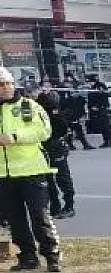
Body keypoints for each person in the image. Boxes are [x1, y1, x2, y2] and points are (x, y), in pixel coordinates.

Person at [0, 67, 63, 272]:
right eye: (1, 85)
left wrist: (15, 137)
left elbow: (44, 131)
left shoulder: (28, 105)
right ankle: (27, 256)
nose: (6, 88)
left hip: (31, 171)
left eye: (8, 83)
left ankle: (52, 256)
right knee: (15, 219)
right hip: (4, 175)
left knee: (40, 216)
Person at [32, 82, 77, 219]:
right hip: (43, 145)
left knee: (62, 177)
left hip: (55, 144)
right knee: (47, 178)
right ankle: (55, 206)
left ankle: (69, 206)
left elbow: (61, 124)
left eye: (31, 93)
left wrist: (54, 138)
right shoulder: (31, 106)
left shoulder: (49, 103)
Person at [86, 79, 111, 147]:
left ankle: (110, 141)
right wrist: (91, 106)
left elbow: (104, 96)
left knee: (106, 126)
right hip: (97, 110)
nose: (89, 83)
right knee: (102, 127)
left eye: (90, 82)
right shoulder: (92, 88)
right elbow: (91, 98)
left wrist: (99, 106)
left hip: (102, 109)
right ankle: (105, 141)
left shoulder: (100, 86)